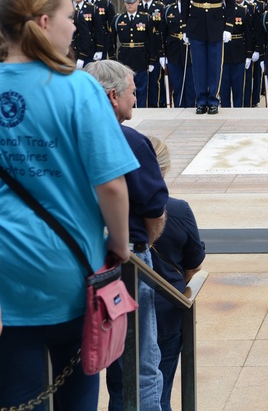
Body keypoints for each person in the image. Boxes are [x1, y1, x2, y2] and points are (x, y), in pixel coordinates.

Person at [0, 0, 135, 410]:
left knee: (19, 396)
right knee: (77, 395)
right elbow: (112, 185)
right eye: (69, 17)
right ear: (43, 22)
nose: (74, 27)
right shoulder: (78, 88)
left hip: (7, 274)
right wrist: (119, 244)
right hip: (69, 269)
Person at [83, 59, 169, 411]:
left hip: (82, 256)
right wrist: (140, 244)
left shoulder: (66, 137)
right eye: (133, 92)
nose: (136, 98)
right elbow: (153, 210)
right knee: (140, 367)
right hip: (128, 260)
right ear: (113, 95)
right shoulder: (131, 141)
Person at [146, 137, 205, 411]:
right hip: (168, 309)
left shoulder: (114, 207)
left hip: (122, 308)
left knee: (123, 387)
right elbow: (193, 265)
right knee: (160, 391)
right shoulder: (179, 209)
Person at [181, 0, 236, 115]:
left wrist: (228, 27)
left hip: (216, 25)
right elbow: (184, 4)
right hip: (196, 25)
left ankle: (213, 99)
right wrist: (184, 29)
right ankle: (201, 100)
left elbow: (231, 3)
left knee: (214, 65)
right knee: (198, 66)